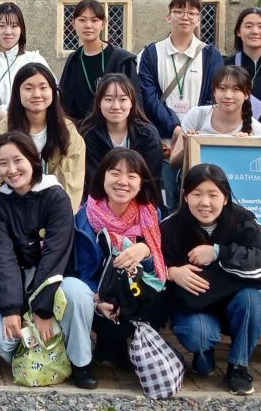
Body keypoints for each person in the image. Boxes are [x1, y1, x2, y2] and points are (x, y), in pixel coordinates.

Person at [0, 131, 98, 389]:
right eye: (3, 163)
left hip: (54, 276)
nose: (11, 169)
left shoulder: (55, 196)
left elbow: (56, 253)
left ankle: (80, 361)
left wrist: (43, 308)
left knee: (79, 295)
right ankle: (34, 352)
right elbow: (1, 256)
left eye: (17, 160)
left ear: (33, 159)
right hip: (15, 277)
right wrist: (10, 309)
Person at [161, 163, 261, 396]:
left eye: (213, 195)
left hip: (235, 303)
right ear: (185, 196)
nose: (205, 202)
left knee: (252, 301)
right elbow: (150, 264)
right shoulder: (170, 226)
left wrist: (218, 252)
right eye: (197, 194)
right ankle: (204, 353)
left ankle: (238, 366)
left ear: (225, 198)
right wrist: (171, 272)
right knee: (198, 336)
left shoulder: (243, 220)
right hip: (194, 307)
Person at [72, 148, 167, 367]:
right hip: (101, 293)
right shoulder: (85, 217)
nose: (123, 181)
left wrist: (144, 250)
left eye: (132, 176)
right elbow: (81, 269)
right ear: (102, 176)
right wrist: (98, 300)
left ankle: (131, 344)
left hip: (137, 291)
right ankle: (104, 345)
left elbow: (159, 266)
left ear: (141, 182)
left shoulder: (151, 214)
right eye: (115, 173)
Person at [136, 0, 224, 199]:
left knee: (197, 197)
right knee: (163, 198)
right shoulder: (152, 52)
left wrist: (191, 133)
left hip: (198, 140)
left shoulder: (210, 54)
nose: (185, 17)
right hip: (162, 142)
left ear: (199, 19)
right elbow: (148, 97)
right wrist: (176, 128)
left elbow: (213, 98)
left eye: (192, 13)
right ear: (168, 17)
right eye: (178, 11)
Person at [0, 63, 85, 210]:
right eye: (28, 88)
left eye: (43, 87)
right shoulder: (3, 130)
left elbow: (73, 182)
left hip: (56, 210)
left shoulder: (67, 131)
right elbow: (0, 177)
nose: (36, 94)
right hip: (15, 210)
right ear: (17, 92)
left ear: (53, 91)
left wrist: (62, 216)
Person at [79, 73, 163, 196]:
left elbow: (151, 180)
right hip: (100, 204)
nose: (116, 106)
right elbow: (92, 180)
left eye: (123, 99)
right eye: (108, 99)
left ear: (132, 102)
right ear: (99, 102)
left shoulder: (148, 135)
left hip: (141, 201)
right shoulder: (89, 135)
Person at [168, 65, 261, 169]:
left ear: (246, 94)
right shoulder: (197, 116)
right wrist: (187, 147)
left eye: (236, 89)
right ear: (214, 92)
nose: (228, 95)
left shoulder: (257, 130)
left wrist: (248, 149)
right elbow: (173, 163)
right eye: (222, 88)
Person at [58, 0, 139, 123]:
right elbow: (65, 104)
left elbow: (136, 102)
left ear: (103, 23)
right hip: (83, 133)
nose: (88, 25)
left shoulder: (122, 59)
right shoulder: (73, 60)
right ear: (73, 23)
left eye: (94, 20)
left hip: (115, 130)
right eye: (82, 20)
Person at [0, 2, 48, 125]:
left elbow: (52, 94)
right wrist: (0, 114)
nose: (8, 32)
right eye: (2, 26)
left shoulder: (35, 61)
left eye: (14, 26)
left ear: (21, 29)